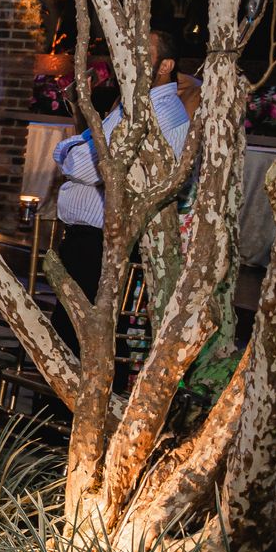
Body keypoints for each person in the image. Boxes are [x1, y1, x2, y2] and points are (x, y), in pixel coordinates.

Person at [48, 28, 192, 352]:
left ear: (166, 65)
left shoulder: (151, 112)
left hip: (101, 243)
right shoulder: (139, 104)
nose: (131, 60)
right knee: (76, 337)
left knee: (75, 343)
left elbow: (87, 166)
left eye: (144, 53)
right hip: (94, 241)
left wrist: (69, 150)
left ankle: (66, 403)